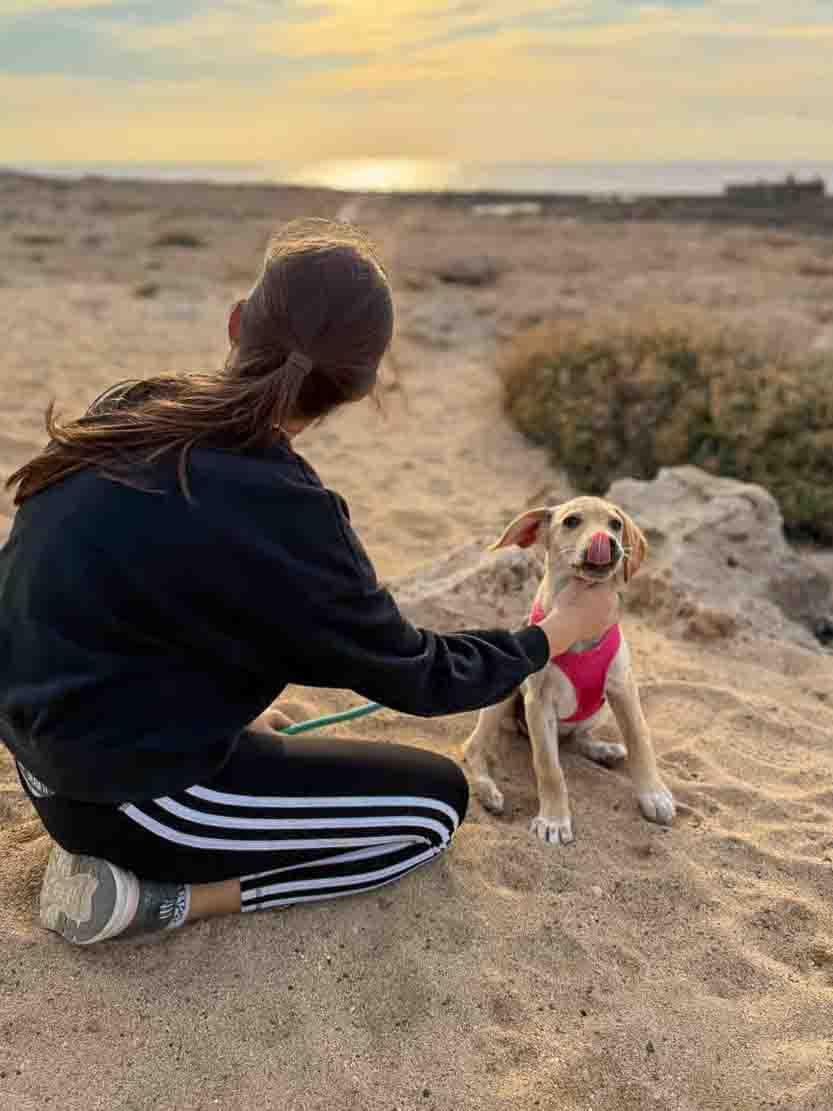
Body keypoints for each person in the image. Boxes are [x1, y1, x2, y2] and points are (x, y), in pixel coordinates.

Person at [0, 219, 618, 946]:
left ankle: (199, 765)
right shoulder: (287, 510)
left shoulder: (133, 404)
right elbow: (418, 677)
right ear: (355, 390)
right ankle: (160, 901)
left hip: (40, 745)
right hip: (124, 798)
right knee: (430, 811)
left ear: (236, 323)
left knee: (283, 725)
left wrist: (224, 711)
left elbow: (129, 595)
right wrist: (550, 635)